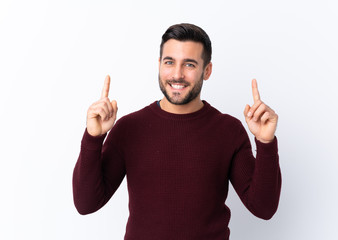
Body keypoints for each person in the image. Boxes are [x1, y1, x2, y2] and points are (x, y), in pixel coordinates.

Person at [73, 23, 281, 240]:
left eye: (189, 64)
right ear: (159, 65)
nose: (177, 74)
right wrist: (93, 138)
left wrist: (266, 143)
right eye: (169, 62)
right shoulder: (129, 128)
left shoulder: (228, 130)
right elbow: (86, 204)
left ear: (207, 70)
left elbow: (264, 209)